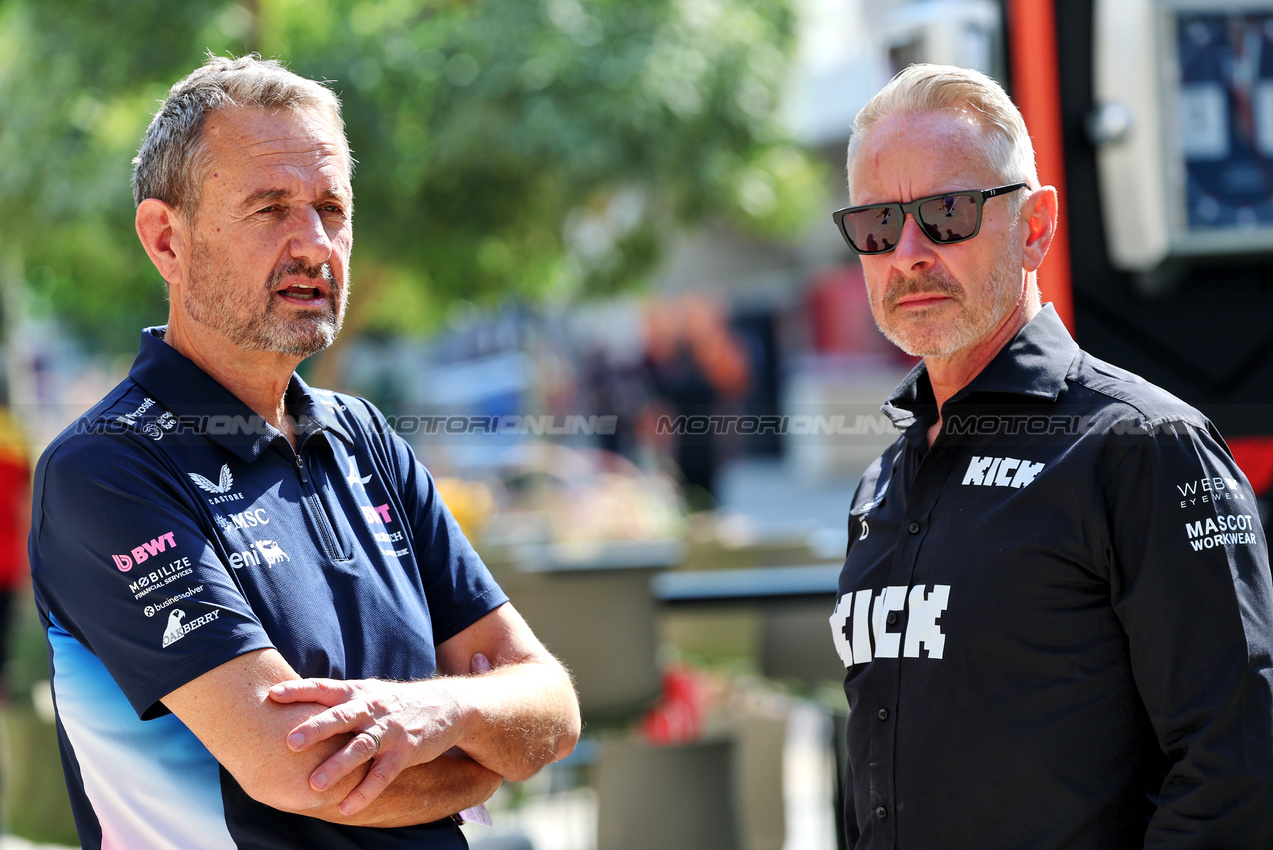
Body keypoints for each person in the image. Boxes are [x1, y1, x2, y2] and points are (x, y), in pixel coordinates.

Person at [28, 54, 580, 850]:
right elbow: (302, 769)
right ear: (166, 240)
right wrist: (480, 761)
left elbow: (552, 709)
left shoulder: (363, 437)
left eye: (331, 208)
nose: (315, 245)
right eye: (271, 209)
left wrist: (444, 711)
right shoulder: (107, 470)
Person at [827, 63, 1273, 848]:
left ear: (1034, 227)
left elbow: (1236, 768)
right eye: (875, 225)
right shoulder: (884, 480)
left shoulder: (1141, 445)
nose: (906, 253)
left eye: (947, 213)